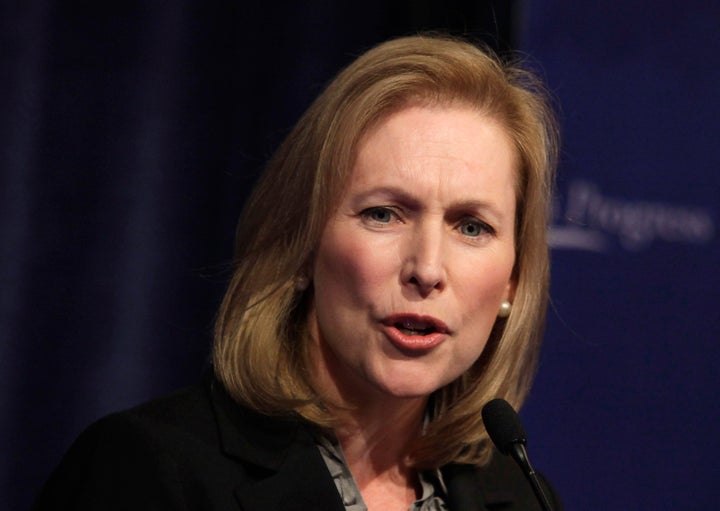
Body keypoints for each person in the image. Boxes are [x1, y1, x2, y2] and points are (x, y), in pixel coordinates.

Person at [34, 34, 561, 510]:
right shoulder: (148, 472)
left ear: (512, 280)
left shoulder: (520, 498)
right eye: (383, 214)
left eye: (471, 227)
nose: (426, 268)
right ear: (304, 244)